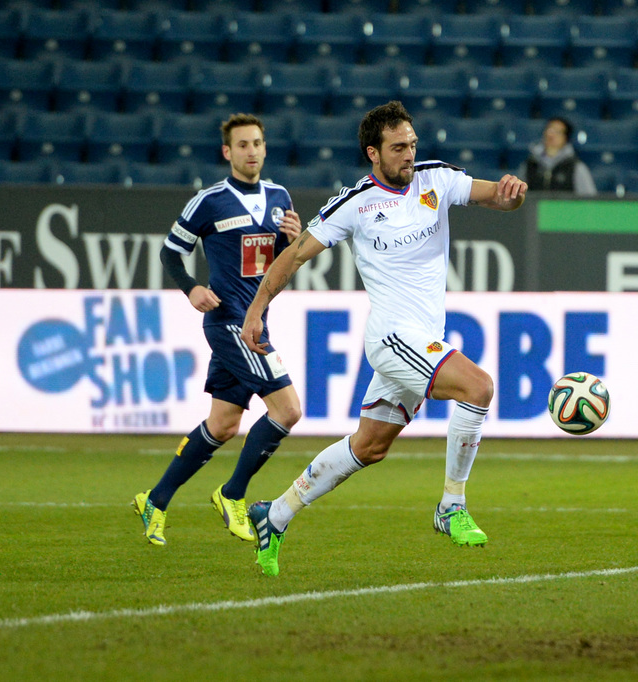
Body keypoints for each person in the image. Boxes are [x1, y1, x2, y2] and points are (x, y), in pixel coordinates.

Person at [240, 101, 528, 576]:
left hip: (423, 339)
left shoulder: (436, 179)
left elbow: (499, 196)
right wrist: (257, 310)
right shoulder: (355, 205)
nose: (409, 155)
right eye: (398, 148)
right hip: (393, 337)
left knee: (369, 447)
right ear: (373, 153)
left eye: (412, 144)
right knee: (479, 387)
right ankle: (451, 506)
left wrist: (513, 194)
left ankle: (274, 515)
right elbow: (293, 256)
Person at [132, 113, 303, 546]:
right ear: (227, 152)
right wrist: (190, 287)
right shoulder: (209, 200)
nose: (251, 151)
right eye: (242, 145)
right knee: (287, 410)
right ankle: (233, 495)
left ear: (265, 148)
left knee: (223, 425)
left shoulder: (280, 196)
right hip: (229, 324)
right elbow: (170, 253)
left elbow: (280, 264)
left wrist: (292, 241)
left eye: (257, 143)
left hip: (255, 319)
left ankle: (155, 499)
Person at [518, 117, 596, 196]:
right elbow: (519, 195)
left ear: (565, 138)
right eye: (549, 130)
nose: (551, 135)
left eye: (557, 132)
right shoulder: (530, 164)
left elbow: (589, 199)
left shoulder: (576, 167)